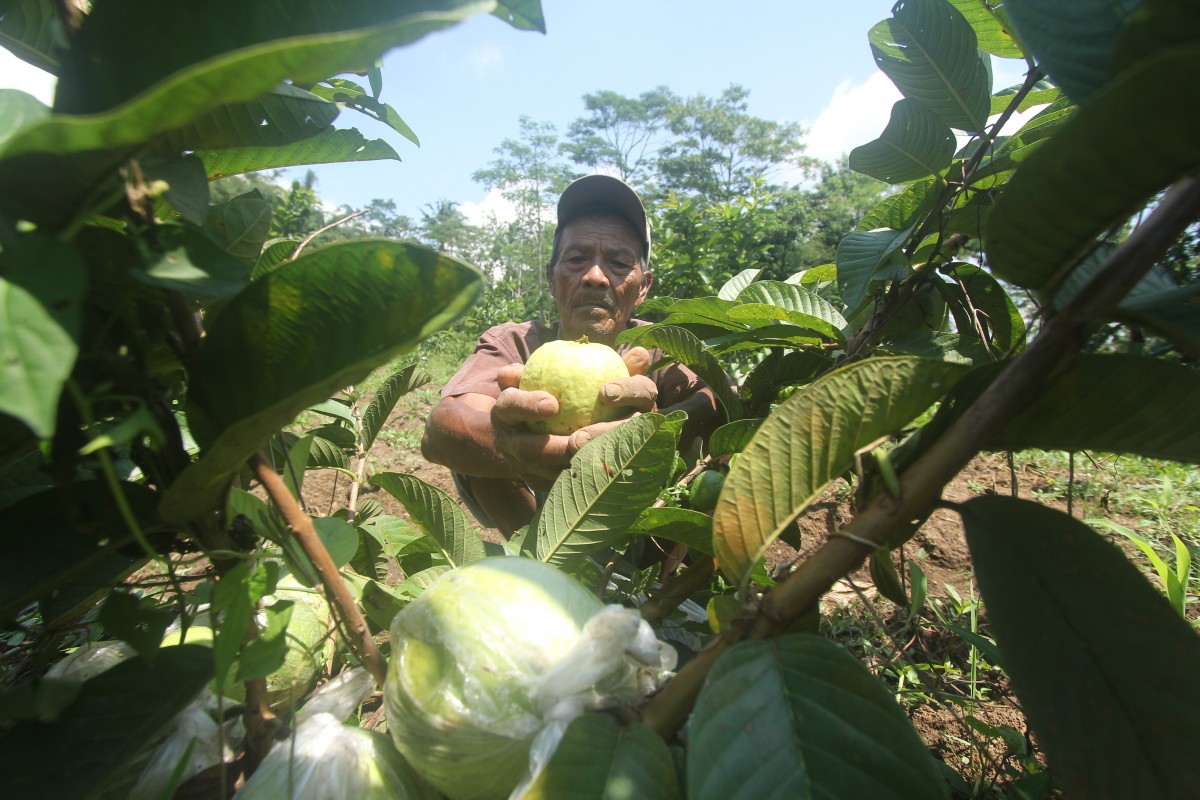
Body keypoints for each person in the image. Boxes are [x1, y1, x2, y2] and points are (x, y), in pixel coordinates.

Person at [421, 174, 722, 535]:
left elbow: (718, 399)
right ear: (551, 278)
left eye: (619, 263)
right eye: (577, 259)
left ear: (643, 287)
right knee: (477, 442)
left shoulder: (659, 347)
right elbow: (442, 427)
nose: (595, 276)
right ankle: (544, 563)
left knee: (705, 445)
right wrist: (510, 444)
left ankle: (660, 572)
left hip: (636, 521)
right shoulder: (514, 342)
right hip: (536, 517)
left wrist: (655, 430)